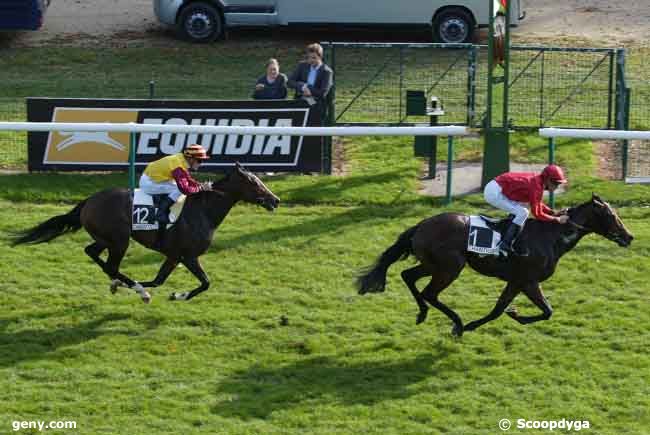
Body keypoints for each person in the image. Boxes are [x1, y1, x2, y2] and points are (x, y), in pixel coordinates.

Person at [483, 164, 570, 256]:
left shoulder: (538, 182)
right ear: (547, 180)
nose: (557, 187)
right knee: (523, 212)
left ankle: (507, 231)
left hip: (499, 188)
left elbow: (537, 203)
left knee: (522, 209)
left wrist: (553, 212)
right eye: (556, 183)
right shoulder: (536, 187)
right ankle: (505, 244)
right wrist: (557, 219)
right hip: (494, 192)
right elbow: (537, 214)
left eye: (559, 184)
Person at [139, 144, 212, 245]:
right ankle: (161, 213)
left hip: (156, 178)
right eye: (199, 161)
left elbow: (188, 179)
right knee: (178, 189)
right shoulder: (178, 164)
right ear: (191, 159)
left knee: (177, 186)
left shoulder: (181, 159)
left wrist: (200, 185)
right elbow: (185, 189)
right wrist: (201, 188)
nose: (201, 163)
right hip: (149, 183)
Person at [287, 43, 333, 122]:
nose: (311, 60)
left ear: (320, 57)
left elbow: (323, 93)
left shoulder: (327, 71)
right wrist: (302, 87)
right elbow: (290, 82)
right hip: (300, 100)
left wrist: (309, 91)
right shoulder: (302, 66)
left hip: (316, 104)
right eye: (309, 57)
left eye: (314, 58)